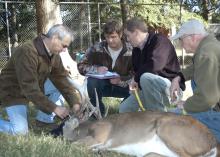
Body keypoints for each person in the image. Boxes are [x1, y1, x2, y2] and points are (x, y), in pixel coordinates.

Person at [0, 24, 82, 135]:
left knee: (59, 84)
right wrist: (55, 108)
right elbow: (29, 88)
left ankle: (44, 120)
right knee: (20, 131)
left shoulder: (54, 54)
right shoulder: (27, 51)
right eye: (64, 46)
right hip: (13, 91)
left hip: (32, 87)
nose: (64, 50)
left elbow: (62, 80)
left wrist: (75, 104)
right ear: (55, 38)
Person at [119, 17, 185, 113]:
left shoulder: (160, 40)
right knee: (124, 109)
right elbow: (138, 73)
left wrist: (136, 78)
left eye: (128, 36)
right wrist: (135, 83)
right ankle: (145, 124)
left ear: (136, 32)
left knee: (146, 77)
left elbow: (155, 66)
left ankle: (158, 119)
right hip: (148, 89)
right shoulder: (136, 50)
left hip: (170, 88)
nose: (127, 40)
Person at [170, 19, 220, 141]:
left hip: (215, 109)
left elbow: (208, 98)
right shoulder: (210, 46)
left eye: (181, 40)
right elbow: (197, 66)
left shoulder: (205, 53)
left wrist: (185, 105)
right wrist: (178, 77)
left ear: (192, 37)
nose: (181, 44)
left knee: (172, 118)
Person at [77, 19, 133, 116]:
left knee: (138, 88)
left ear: (120, 35)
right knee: (92, 81)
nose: (110, 40)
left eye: (113, 37)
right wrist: (96, 70)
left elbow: (137, 72)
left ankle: (124, 111)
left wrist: (121, 79)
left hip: (124, 86)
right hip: (102, 86)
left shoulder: (131, 50)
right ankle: (98, 113)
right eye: (107, 37)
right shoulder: (97, 48)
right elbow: (81, 65)